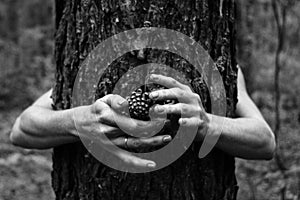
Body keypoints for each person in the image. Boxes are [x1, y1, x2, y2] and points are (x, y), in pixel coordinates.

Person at [10, 66, 276, 169]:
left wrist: (207, 124)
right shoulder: (88, 65)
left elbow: (265, 142)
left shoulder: (222, 66)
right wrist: (77, 121)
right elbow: (22, 129)